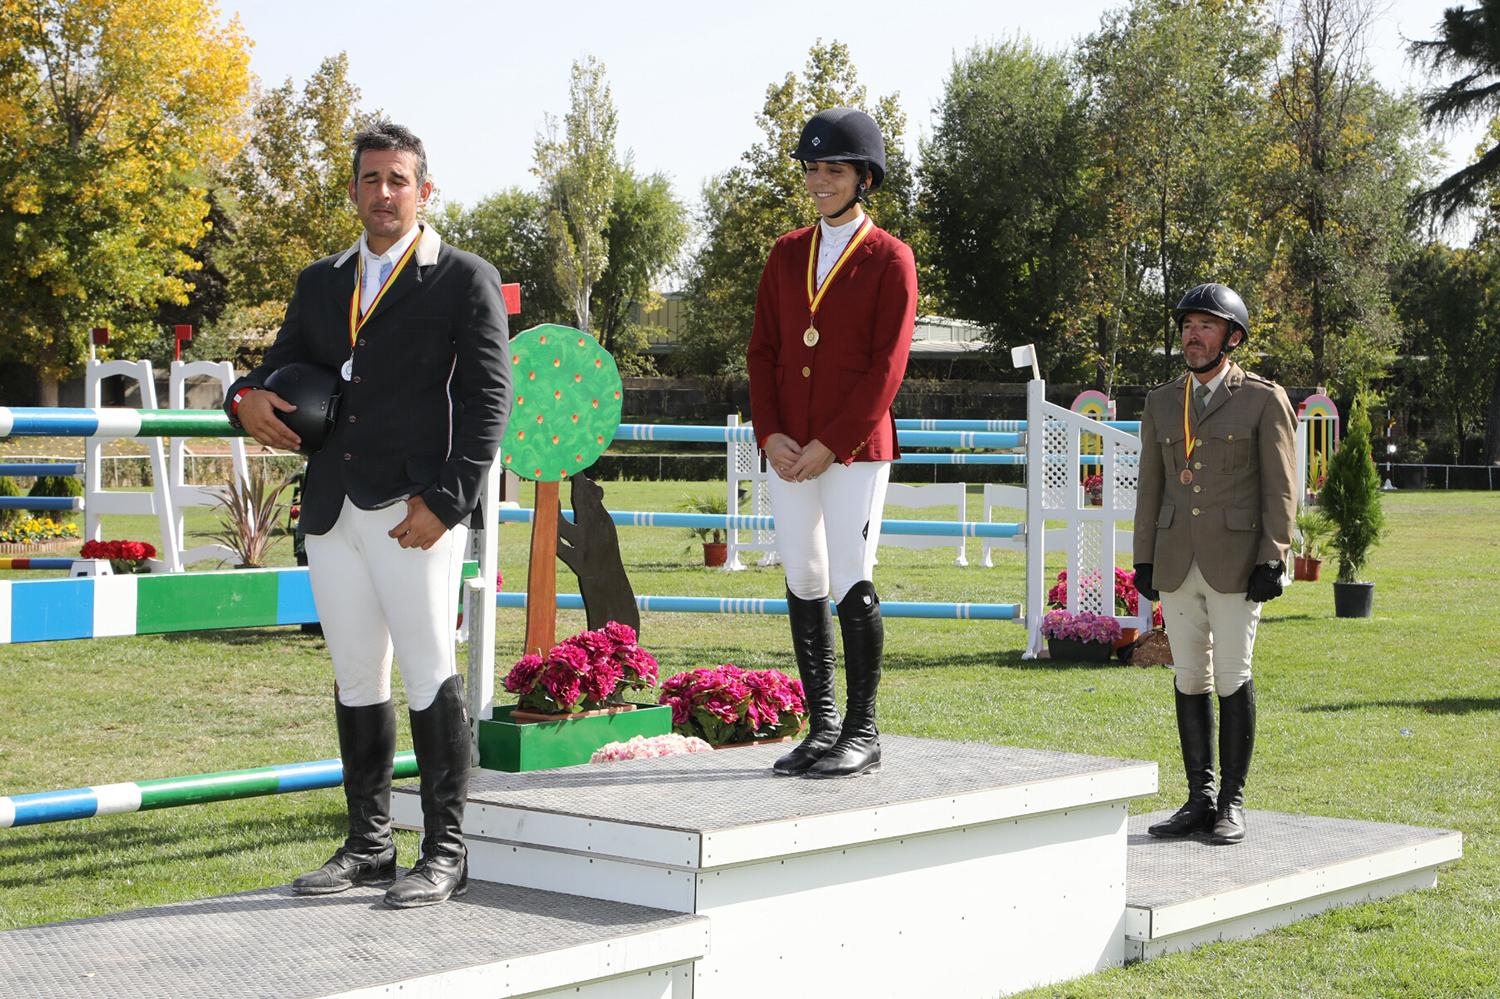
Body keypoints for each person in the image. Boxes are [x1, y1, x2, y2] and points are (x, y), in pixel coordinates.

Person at [226, 122, 511, 905]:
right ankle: (369, 845)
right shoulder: (322, 281)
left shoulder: (463, 277)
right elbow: (276, 368)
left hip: (414, 510)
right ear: (352, 190)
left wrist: (449, 503)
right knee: (356, 675)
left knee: (429, 673)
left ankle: (447, 850)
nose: (383, 193)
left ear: (424, 190)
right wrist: (239, 398)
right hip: (331, 510)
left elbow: (491, 403)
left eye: (398, 179)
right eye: (370, 179)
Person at [746, 107, 918, 779]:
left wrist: (833, 443)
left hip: (855, 448)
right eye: (813, 169)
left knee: (848, 574)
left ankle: (863, 728)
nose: (820, 181)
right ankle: (821, 724)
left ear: (864, 177)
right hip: (788, 446)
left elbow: (887, 367)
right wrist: (772, 434)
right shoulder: (787, 253)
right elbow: (763, 352)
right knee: (802, 574)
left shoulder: (889, 258)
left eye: (834, 170)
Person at [1132, 283, 1296, 845]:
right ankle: (1198, 800)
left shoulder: (1262, 398)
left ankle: (1233, 802)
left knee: (1232, 675)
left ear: (1233, 337)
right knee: (1188, 677)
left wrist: (1274, 557)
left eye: (1206, 325)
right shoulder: (1160, 401)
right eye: (1187, 325)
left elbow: (1281, 487)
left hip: (1236, 561)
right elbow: (1149, 488)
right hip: (1177, 559)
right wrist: (1144, 559)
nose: (1192, 335)